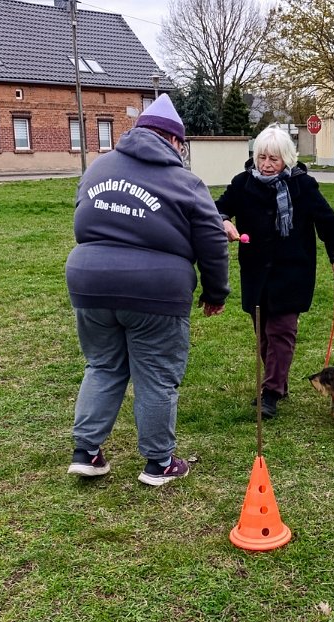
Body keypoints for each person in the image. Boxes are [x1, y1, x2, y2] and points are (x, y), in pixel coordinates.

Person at [65, 94, 230, 487]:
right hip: (156, 292)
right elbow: (212, 241)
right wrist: (215, 293)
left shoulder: (98, 167)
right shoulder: (185, 182)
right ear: (173, 140)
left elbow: (81, 216)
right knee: (156, 375)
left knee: (102, 366)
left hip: (90, 283)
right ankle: (159, 462)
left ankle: (86, 452)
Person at [215, 125, 334, 419]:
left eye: (273, 159)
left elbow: (329, 224)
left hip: (292, 274)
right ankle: (279, 383)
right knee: (263, 335)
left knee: (280, 333)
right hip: (256, 274)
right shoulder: (242, 184)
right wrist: (223, 220)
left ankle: (271, 393)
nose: (266, 165)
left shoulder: (303, 186)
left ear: (286, 159)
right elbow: (218, 208)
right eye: (261, 157)